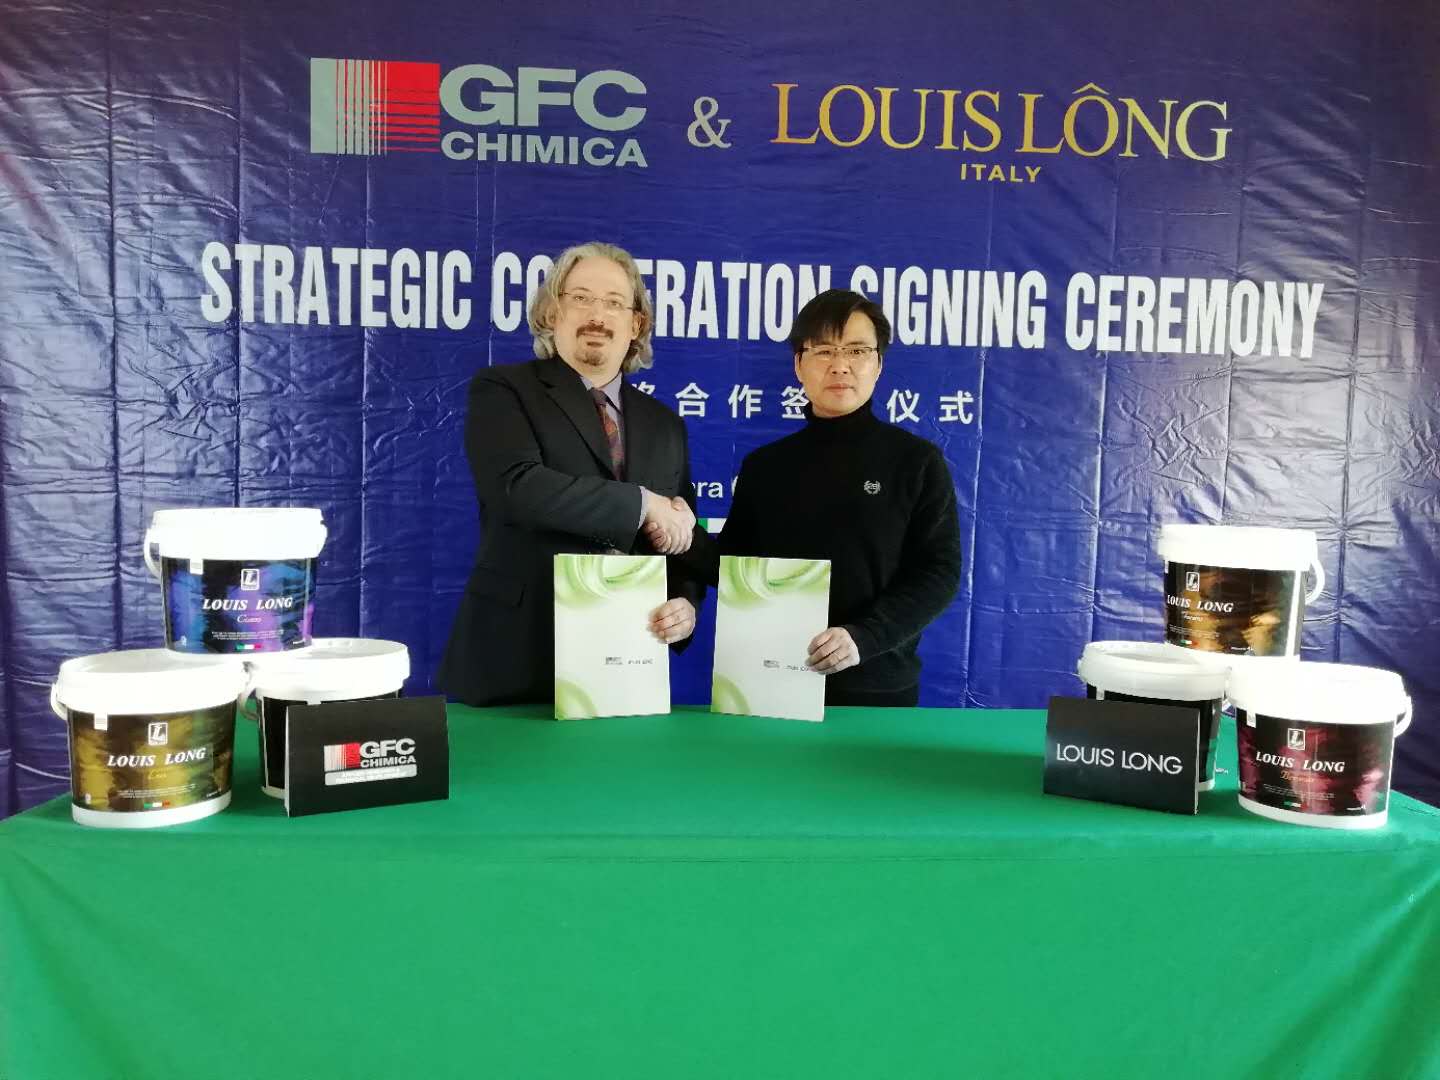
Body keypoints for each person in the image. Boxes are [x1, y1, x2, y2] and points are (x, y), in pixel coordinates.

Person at [659, 289, 961, 706]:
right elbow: (733, 568)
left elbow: (939, 572)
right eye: (823, 351)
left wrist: (865, 637)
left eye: (857, 350)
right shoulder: (765, 467)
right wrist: (683, 533)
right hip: (770, 678)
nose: (840, 365)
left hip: (875, 685)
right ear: (799, 364)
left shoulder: (917, 462)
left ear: (878, 364)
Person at [439, 241, 704, 706]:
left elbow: (681, 532)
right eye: (580, 298)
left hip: (625, 663)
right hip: (516, 659)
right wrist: (643, 503)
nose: (597, 316)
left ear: (636, 324)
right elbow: (517, 487)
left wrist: (685, 601)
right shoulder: (504, 389)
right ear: (552, 311)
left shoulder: (666, 425)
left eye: (614, 303)